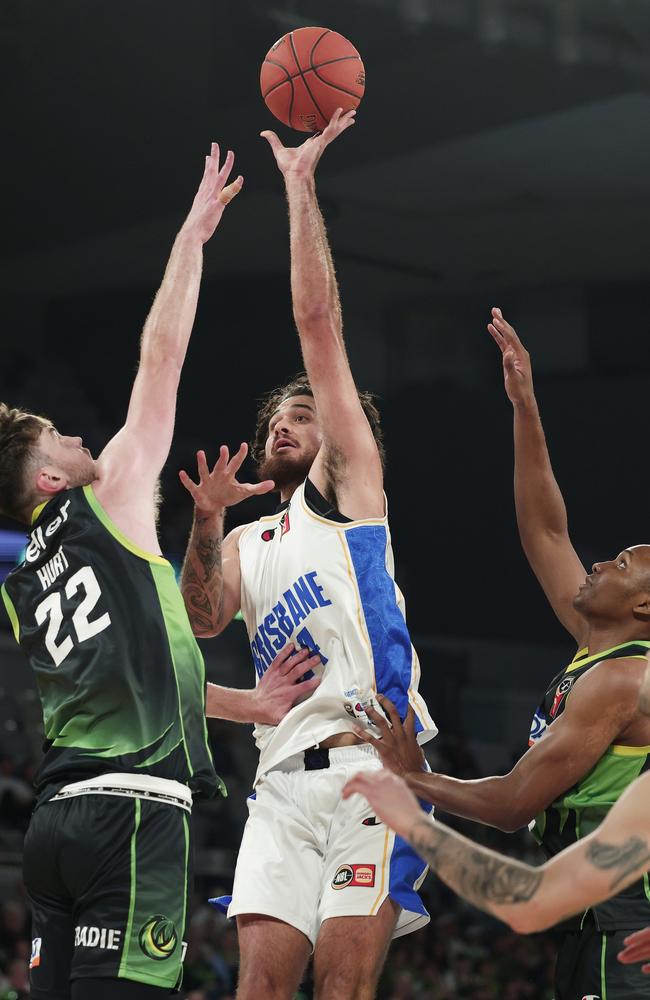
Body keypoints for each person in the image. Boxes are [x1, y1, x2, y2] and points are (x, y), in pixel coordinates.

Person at [0, 145, 319, 1000]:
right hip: (129, 818)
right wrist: (193, 238)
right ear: (49, 480)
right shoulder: (109, 499)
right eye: (60, 439)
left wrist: (246, 704)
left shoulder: (22, 576)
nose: (78, 437)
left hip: (54, 827)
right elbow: (161, 360)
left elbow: (141, 669)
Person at [180, 109, 437, 1000]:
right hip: (281, 780)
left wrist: (299, 185)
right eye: (275, 418)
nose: (286, 421)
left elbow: (317, 322)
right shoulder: (250, 538)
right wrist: (206, 523)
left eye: (305, 412)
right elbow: (203, 618)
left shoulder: (350, 491)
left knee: (343, 989)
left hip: (374, 761)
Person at [345, 309, 650, 999]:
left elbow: (515, 802)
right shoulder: (600, 652)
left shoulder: (624, 678)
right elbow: (545, 527)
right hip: (593, 916)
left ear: (645, 610)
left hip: (623, 921)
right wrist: (525, 406)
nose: (602, 560)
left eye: (625, 562)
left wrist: (415, 780)